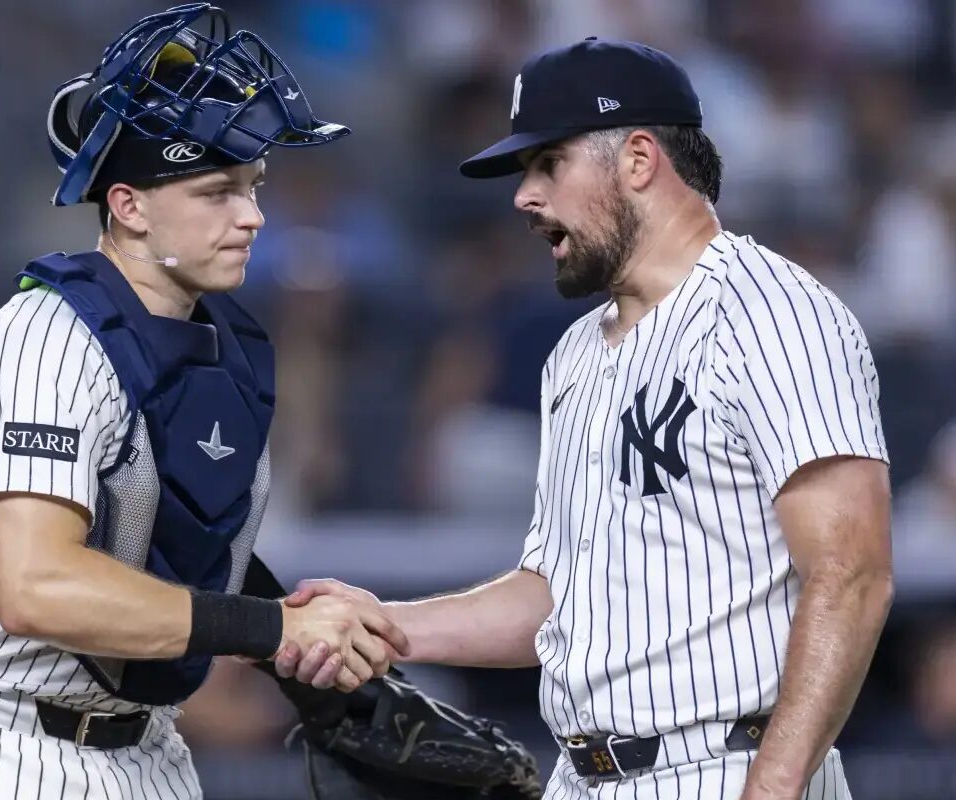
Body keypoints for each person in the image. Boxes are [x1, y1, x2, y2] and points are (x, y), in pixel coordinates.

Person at [279, 39, 893, 799]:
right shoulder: (575, 353)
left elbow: (852, 573)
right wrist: (386, 627)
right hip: (584, 775)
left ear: (638, 159)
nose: (523, 196)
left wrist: (774, 784)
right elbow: (557, 597)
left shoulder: (772, 316)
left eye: (548, 163)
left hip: (730, 766)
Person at [0, 5, 406, 798]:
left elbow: (163, 532)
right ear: (129, 205)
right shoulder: (48, 338)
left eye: (252, 187)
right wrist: (274, 626)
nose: (251, 215)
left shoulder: (221, 341)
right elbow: (36, 586)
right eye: (216, 190)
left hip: (143, 748)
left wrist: (318, 652)